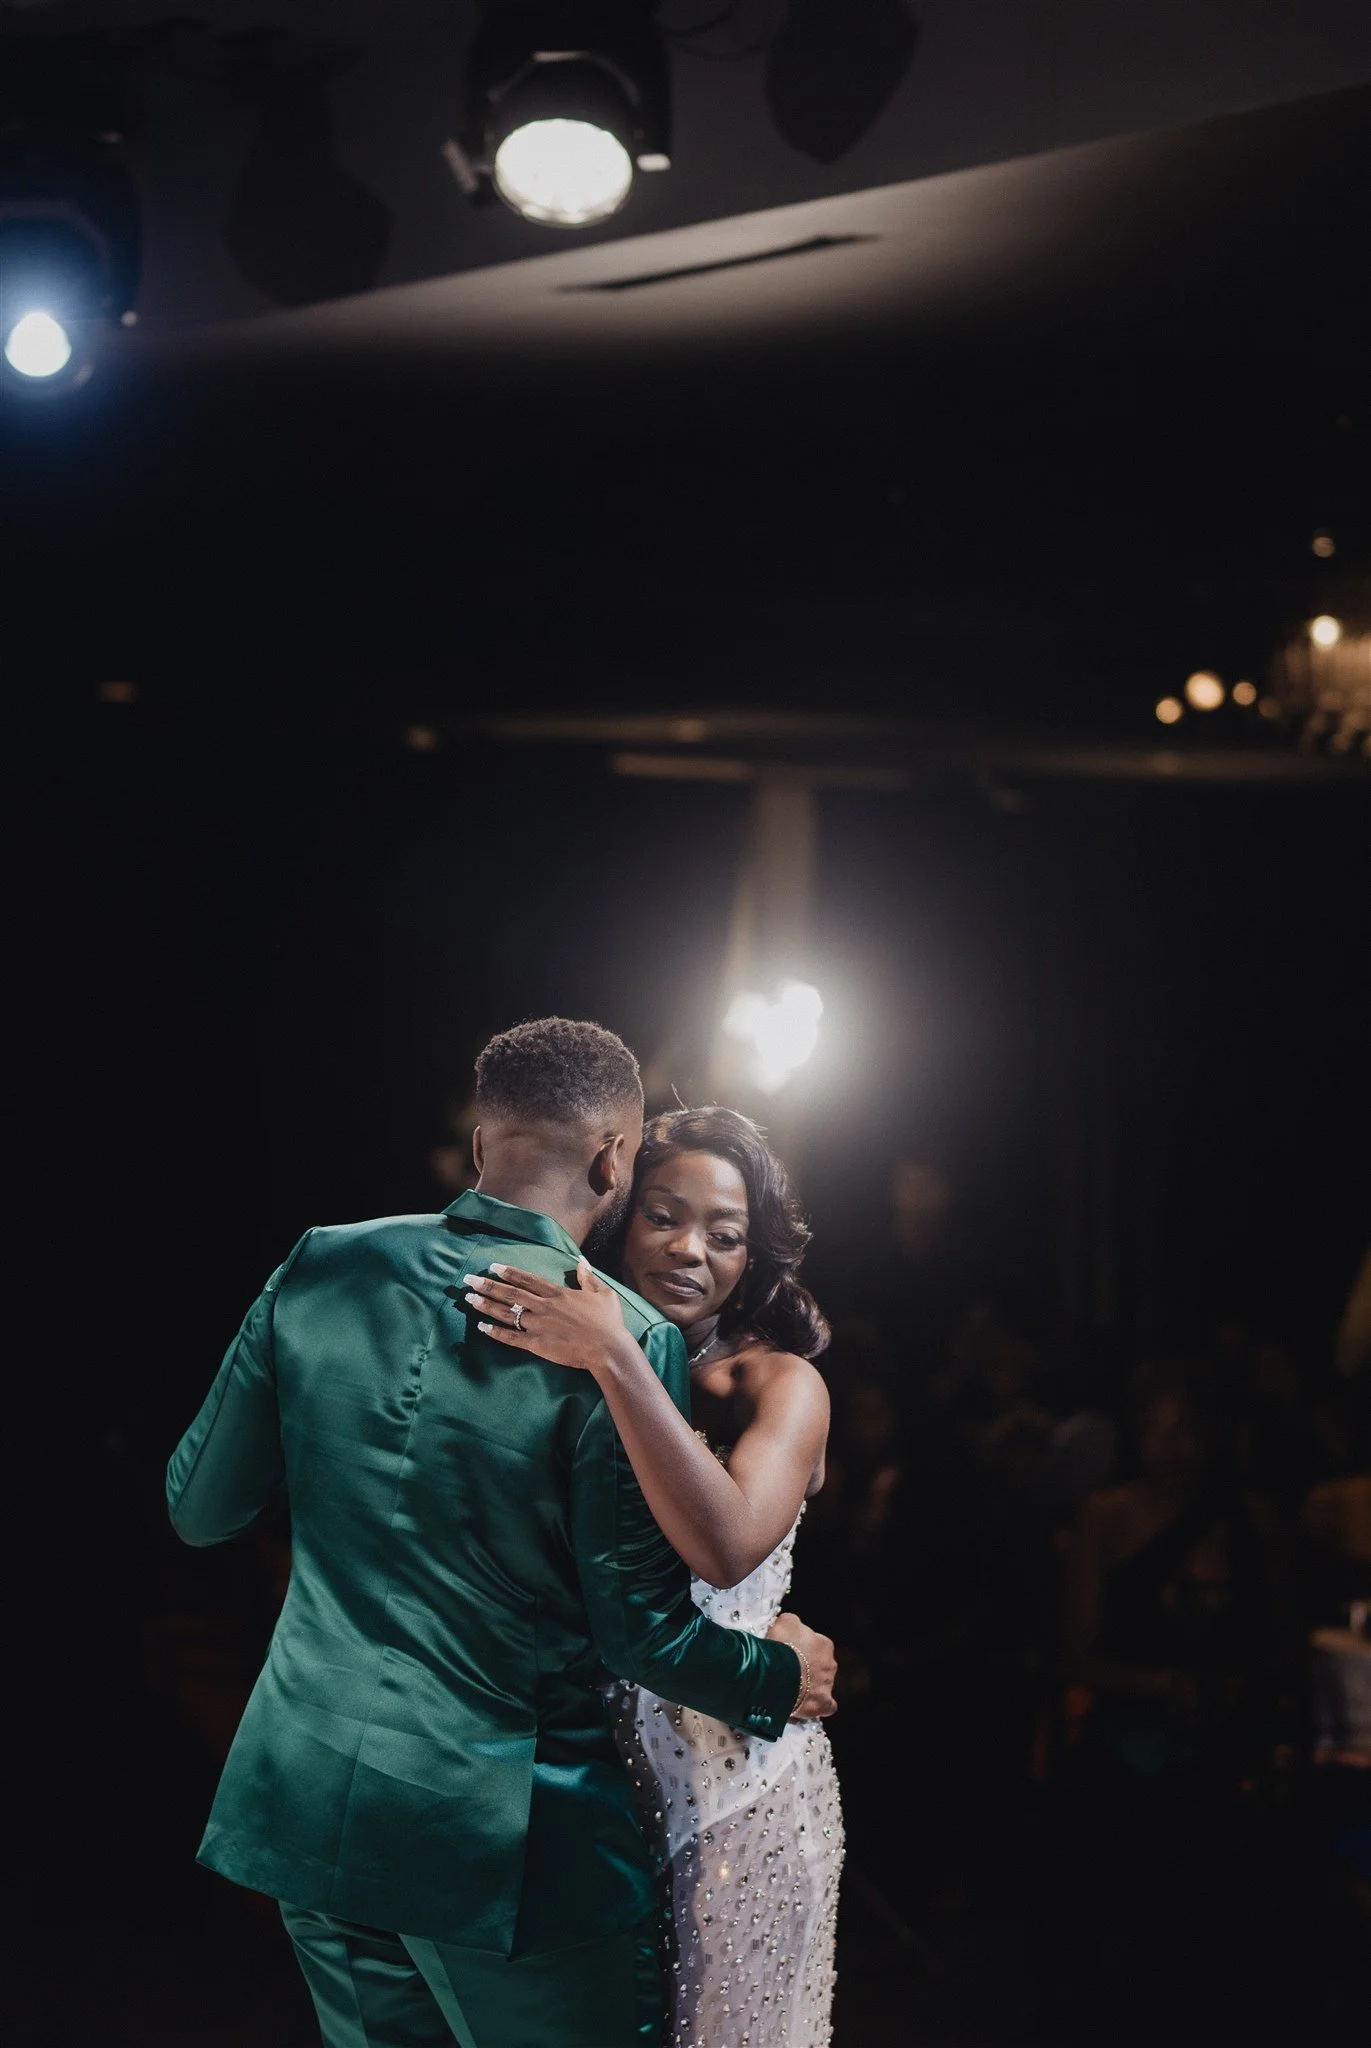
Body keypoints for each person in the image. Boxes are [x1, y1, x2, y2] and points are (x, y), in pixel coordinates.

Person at [166, 1021, 836, 2048]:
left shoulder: (322, 1263)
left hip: (312, 1807)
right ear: (615, 1158)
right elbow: (641, 1636)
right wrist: (782, 1675)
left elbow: (199, 1506)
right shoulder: (614, 1330)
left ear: (483, 1139)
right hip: (506, 1845)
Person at [464, 1105, 843, 2048]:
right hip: (571, 1782)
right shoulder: (553, 1358)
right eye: (663, 1216)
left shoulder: (777, 1384)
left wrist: (613, 1353)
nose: (689, 1251)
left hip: (734, 1786)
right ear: (618, 1209)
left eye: (725, 1236)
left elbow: (725, 1547)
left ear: (752, 1260)